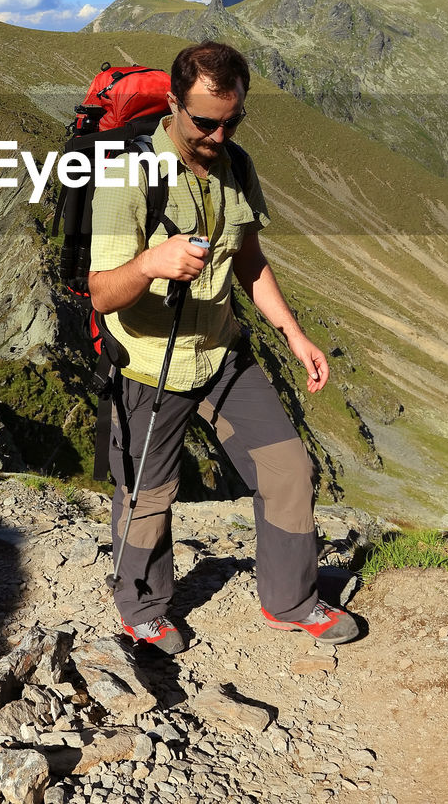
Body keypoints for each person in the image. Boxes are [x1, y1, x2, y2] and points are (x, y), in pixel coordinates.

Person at [88, 41, 358, 654]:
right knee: (147, 498)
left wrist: (293, 332)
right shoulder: (126, 177)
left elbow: (248, 258)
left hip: (221, 354)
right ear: (174, 106)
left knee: (288, 469)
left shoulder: (236, 163)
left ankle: (291, 600)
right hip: (150, 364)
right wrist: (153, 262)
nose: (216, 134)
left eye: (230, 120)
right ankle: (143, 610)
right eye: (204, 121)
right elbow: (102, 293)